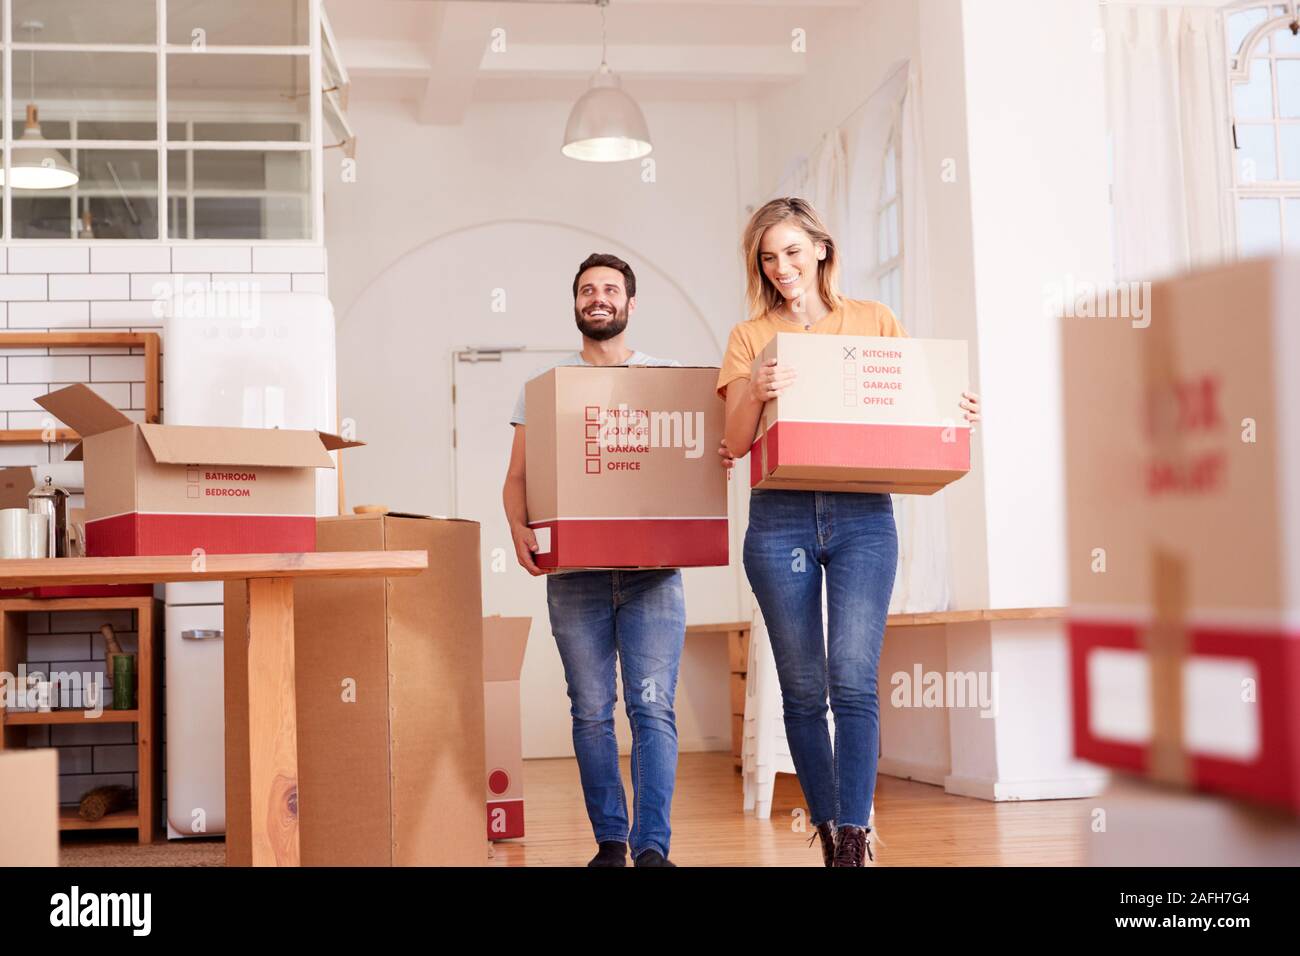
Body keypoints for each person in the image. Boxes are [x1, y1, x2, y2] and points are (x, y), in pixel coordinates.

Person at [716, 198, 981, 867]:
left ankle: (856, 838)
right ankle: (831, 832)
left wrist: (955, 407)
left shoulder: (874, 321)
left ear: (822, 250)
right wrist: (755, 385)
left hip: (864, 516)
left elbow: (909, 408)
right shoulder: (749, 338)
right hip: (780, 521)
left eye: (793, 252)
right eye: (769, 257)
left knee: (853, 682)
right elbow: (732, 443)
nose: (782, 268)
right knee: (803, 688)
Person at [503, 252, 727, 867]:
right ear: (575, 303)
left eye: (609, 289)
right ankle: (609, 842)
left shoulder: (670, 382)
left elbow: (699, 460)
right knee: (592, 709)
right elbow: (517, 478)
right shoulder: (545, 390)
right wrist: (518, 529)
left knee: (652, 705)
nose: (597, 298)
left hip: (654, 576)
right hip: (575, 578)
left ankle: (652, 847)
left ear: (631, 303)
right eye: (586, 290)